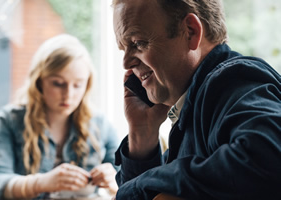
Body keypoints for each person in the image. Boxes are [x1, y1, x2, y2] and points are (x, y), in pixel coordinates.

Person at [111, 0, 281, 199]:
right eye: (123, 49)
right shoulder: (194, 105)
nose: (126, 63)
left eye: (138, 43)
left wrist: (138, 186)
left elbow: (270, 157)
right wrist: (142, 133)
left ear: (190, 31)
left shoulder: (233, 81)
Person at [0, 34, 120, 200]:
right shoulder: (10, 121)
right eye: (58, 83)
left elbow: (128, 182)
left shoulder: (101, 125)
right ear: (39, 81)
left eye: (78, 85)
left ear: (87, 84)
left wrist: (114, 181)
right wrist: (41, 182)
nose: (68, 94)